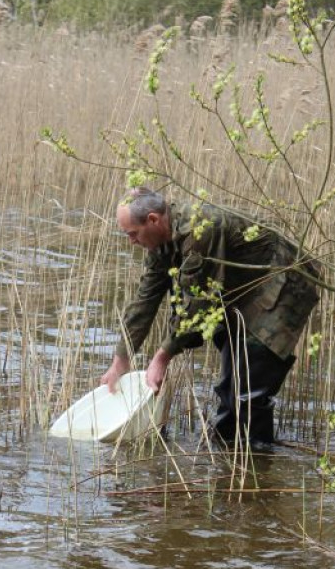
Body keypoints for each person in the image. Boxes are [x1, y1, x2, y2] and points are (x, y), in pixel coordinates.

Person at [101, 187, 320, 446]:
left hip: (284, 280)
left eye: (133, 234)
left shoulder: (201, 228)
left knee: (248, 384)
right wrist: (121, 359)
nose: (131, 242)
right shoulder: (160, 241)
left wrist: (162, 356)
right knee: (231, 383)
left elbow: (199, 303)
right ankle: (230, 451)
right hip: (240, 288)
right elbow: (145, 300)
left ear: (153, 220)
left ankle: (255, 464)